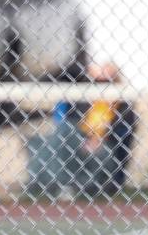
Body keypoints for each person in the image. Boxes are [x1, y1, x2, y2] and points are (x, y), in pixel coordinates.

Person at [26, 61, 137, 197]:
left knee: (98, 149)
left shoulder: (122, 104)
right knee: (46, 140)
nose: (101, 86)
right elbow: (67, 122)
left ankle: (80, 187)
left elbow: (123, 131)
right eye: (97, 81)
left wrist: (100, 138)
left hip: (105, 146)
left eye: (107, 81)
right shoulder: (84, 97)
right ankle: (50, 185)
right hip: (79, 140)